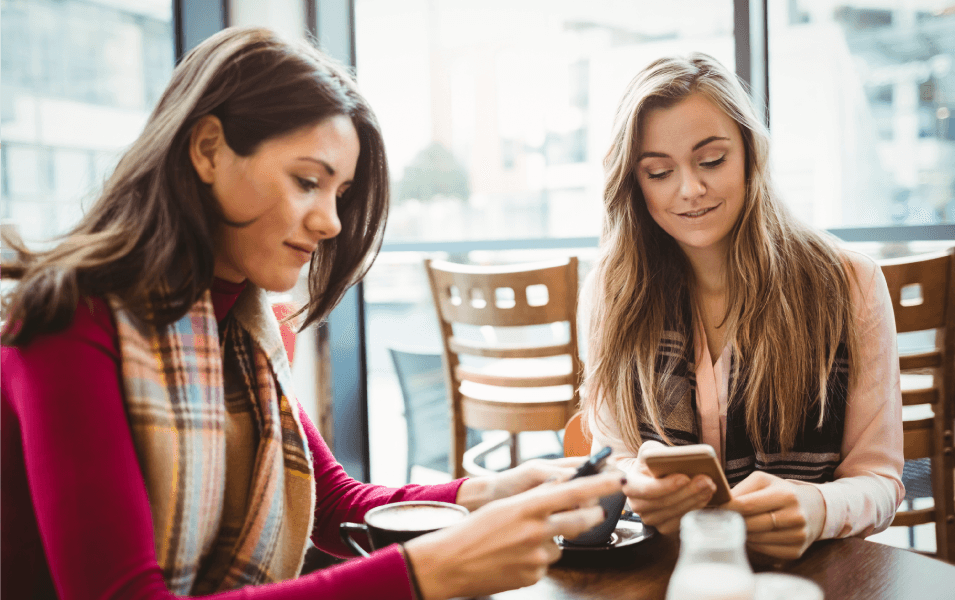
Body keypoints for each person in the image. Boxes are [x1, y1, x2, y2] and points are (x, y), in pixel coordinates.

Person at [0, 27, 623, 600]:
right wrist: (430, 570)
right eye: (307, 181)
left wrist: (491, 492)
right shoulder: (69, 322)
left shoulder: (239, 327)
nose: (330, 221)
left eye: (341, 194)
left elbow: (335, 504)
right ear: (209, 150)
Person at [579, 53, 903, 560]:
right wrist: (638, 486)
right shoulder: (612, 292)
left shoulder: (849, 283)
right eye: (660, 172)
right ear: (635, 184)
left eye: (711, 160)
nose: (690, 189)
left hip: (807, 576)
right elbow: (615, 454)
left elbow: (879, 480)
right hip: (669, 570)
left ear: (752, 153)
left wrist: (818, 507)